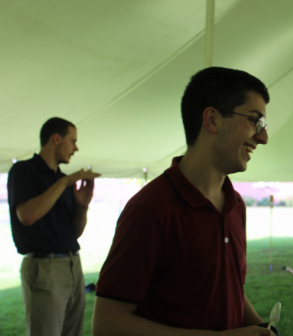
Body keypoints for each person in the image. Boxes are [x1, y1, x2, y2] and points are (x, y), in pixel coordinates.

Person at [93, 67, 277, 336]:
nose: (263, 137)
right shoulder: (150, 210)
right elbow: (107, 325)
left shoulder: (236, 205)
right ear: (212, 120)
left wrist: (262, 327)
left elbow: (229, 289)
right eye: (254, 121)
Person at [7, 117, 101, 336]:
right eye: (73, 141)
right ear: (56, 139)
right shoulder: (23, 171)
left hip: (72, 263)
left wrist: (82, 206)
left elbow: (74, 232)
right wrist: (64, 183)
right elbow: (27, 216)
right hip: (44, 267)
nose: (76, 148)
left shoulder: (63, 180)